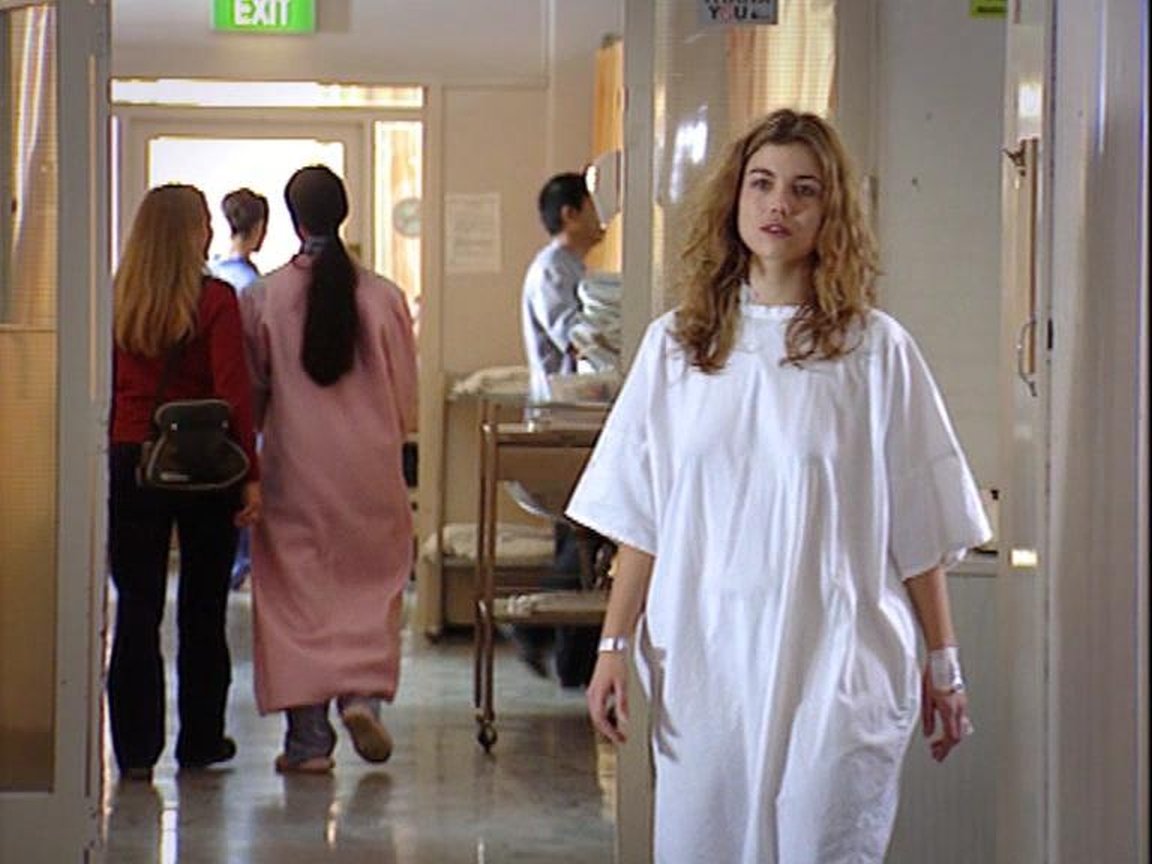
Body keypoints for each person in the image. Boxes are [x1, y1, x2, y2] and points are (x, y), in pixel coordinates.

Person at [567, 109, 990, 863]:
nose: (779, 206)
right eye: (761, 184)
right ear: (734, 199)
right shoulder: (679, 348)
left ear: (830, 213)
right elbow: (642, 516)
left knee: (823, 841)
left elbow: (920, 524)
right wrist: (612, 645)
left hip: (841, 657)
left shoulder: (874, 352)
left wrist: (944, 664)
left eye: (804, 190)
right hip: (707, 658)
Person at [240, 165, 418, 775]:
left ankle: (309, 742)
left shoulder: (263, 298)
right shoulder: (384, 297)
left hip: (296, 470)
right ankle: (362, 697)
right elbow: (406, 400)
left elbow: (252, 395)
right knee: (369, 591)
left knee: (296, 600)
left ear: (293, 220)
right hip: (372, 474)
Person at [107, 183, 261, 783]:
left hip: (131, 456)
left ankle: (135, 748)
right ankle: (199, 739)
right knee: (203, 605)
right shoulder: (215, 300)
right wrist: (250, 477)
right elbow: (233, 394)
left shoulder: (117, 300)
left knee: (137, 605)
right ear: (194, 233)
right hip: (203, 463)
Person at [517, 172, 609, 687]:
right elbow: (575, 336)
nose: (601, 217)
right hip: (561, 417)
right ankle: (534, 626)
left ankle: (572, 662)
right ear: (571, 213)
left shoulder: (574, 268)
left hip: (577, 415)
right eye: (593, 206)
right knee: (582, 531)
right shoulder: (554, 268)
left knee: (577, 536)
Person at [209, 187, 270, 591]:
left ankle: (231, 565)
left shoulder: (213, 276)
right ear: (259, 227)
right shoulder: (253, 286)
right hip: (246, 399)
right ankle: (243, 565)